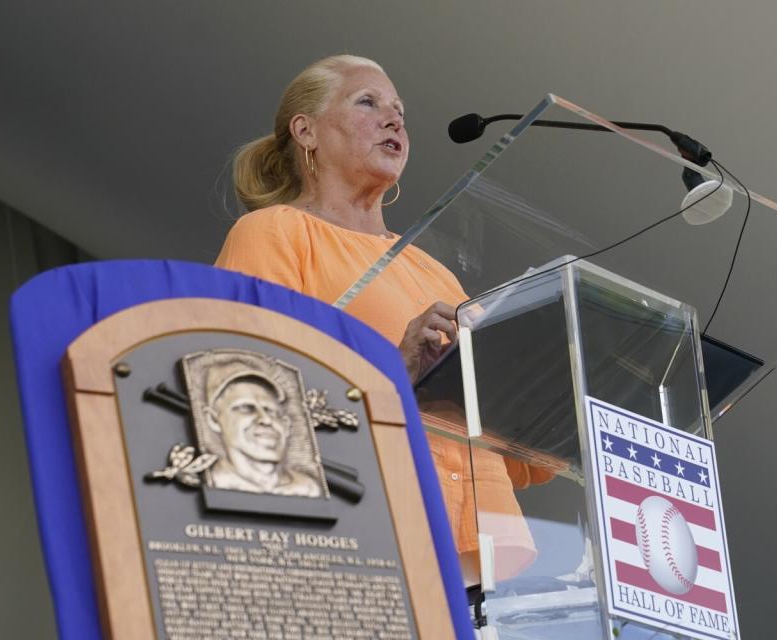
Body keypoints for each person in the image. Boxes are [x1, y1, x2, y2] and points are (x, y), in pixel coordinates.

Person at [215, 55, 548, 581]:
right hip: (352, 542)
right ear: (307, 131)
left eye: (399, 111)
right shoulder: (274, 232)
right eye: (367, 103)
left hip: (469, 570)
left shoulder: (433, 271)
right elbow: (246, 399)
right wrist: (396, 367)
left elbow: (520, 456)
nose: (394, 121)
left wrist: (547, 385)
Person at [198, 354, 325, 498]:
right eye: (246, 408)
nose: (266, 419)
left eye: (271, 411)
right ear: (213, 420)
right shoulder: (217, 480)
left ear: (286, 424)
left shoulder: (308, 488)